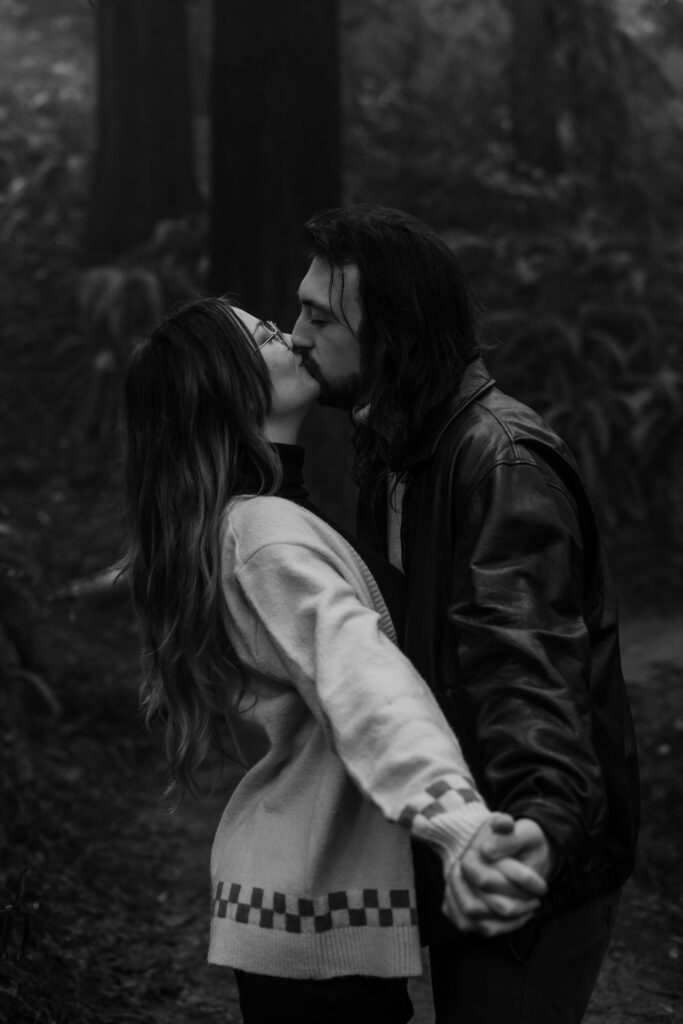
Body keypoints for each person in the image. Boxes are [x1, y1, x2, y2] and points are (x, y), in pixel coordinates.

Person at [121, 297, 547, 1024]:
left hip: (308, 892)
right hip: (311, 900)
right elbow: (361, 679)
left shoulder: (266, 517)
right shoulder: (265, 535)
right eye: (264, 334)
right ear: (229, 388)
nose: (290, 335)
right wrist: (455, 820)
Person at [291, 204, 640, 1024]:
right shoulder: (398, 442)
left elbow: (523, 667)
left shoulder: (499, 464)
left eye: (318, 316)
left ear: (394, 337)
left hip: (526, 858)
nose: (295, 334)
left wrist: (538, 828)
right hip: (460, 829)